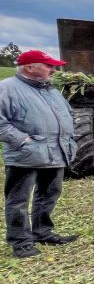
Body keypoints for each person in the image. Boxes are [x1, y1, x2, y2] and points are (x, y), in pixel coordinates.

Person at [0, 50, 78, 258]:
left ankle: (42, 231)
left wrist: (69, 137)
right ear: (29, 67)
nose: (53, 69)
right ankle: (20, 241)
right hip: (25, 156)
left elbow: (68, 113)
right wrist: (23, 141)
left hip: (55, 151)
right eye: (48, 65)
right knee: (18, 200)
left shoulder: (50, 90)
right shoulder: (7, 88)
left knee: (49, 194)